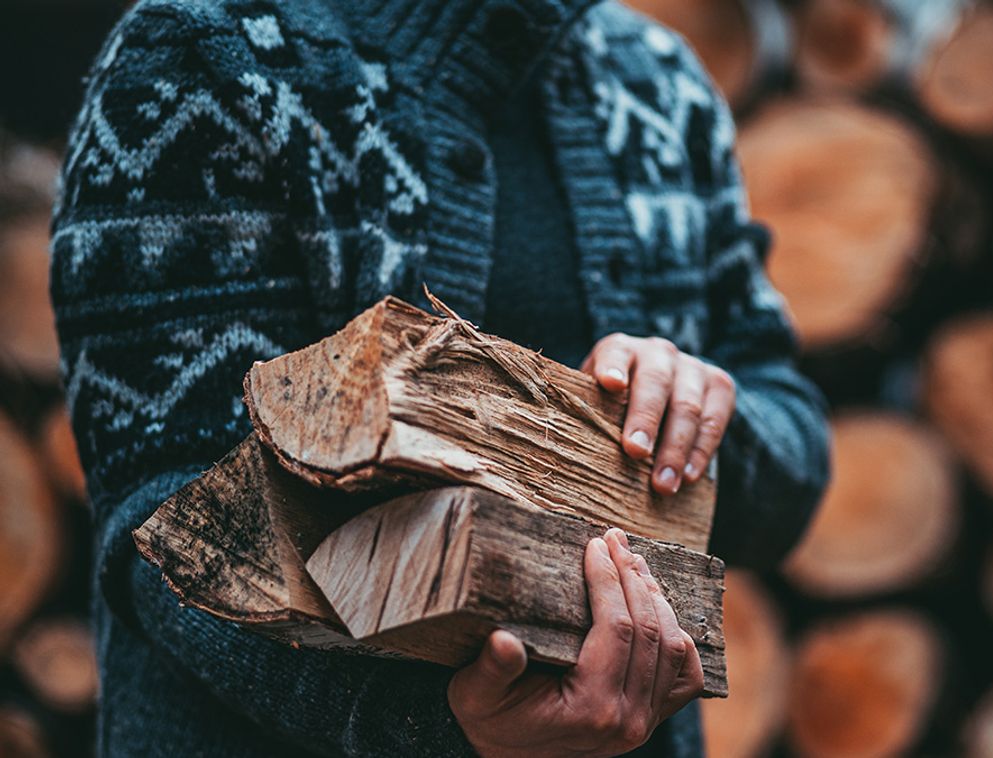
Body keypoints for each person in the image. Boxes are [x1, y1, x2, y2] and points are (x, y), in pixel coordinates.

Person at [49, 0, 830, 755]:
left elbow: (791, 448)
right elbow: (166, 524)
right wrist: (442, 727)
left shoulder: (659, 80)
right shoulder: (207, 52)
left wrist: (702, 422)